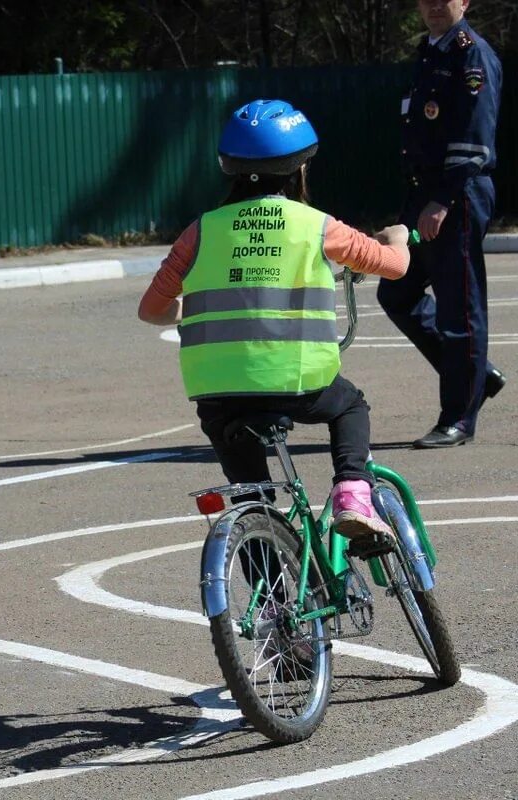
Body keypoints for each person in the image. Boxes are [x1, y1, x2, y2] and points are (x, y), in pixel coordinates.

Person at [138, 98, 410, 540]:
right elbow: (394, 266)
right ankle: (352, 492)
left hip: (218, 392)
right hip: (298, 384)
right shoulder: (316, 226)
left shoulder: (201, 230)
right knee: (350, 405)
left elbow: (151, 310)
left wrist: (188, 308)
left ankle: (272, 602)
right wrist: (398, 237)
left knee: (251, 502)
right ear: (300, 169)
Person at [377, 0, 506, 449]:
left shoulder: (471, 55)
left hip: (456, 196)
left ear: (464, 2)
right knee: (395, 290)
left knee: (459, 309)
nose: (434, 5)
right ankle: (477, 374)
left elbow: (474, 139)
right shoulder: (429, 52)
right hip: (423, 197)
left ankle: (459, 418)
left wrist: (443, 200)